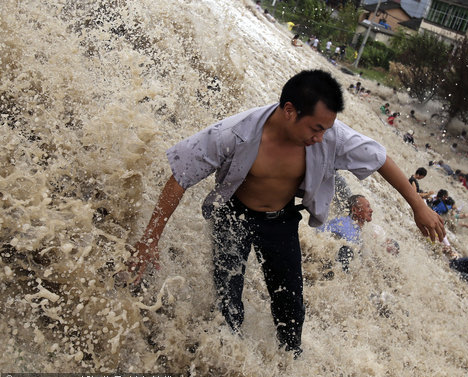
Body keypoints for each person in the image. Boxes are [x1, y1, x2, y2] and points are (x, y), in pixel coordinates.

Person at [129, 70, 445, 357]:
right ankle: (229, 361)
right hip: (233, 217)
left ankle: (289, 362)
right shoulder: (235, 133)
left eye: (326, 129)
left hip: (280, 222)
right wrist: (149, 239)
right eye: (316, 128)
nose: (320, 137)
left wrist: (418, 205)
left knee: (291, 307)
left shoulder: (330, 136)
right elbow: (180, 176)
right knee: (228, 302)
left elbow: (379, 159)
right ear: (290, 110)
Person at [318, 194, 372, 271]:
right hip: (324, 258)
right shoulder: (347, 226)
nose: (371, 210)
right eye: (368, 206)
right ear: (354, 210)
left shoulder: (354, 227)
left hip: (327, 254)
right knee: (347, 251)